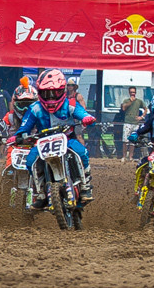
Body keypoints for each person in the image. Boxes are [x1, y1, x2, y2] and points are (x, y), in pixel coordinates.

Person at [13, 68, 97, 198]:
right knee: (30, 161)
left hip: (67, 139)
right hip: (43, 143)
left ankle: (85, 187)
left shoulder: (69, 104)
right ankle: (40, 192)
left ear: (62, 91)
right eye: (47, 93)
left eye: (55, 93)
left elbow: (81, 113)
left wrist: (86, 118)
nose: (51, 97)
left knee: (82, 152)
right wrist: (21, 135)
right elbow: (25, 125)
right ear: (40, 93)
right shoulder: (35, 108)